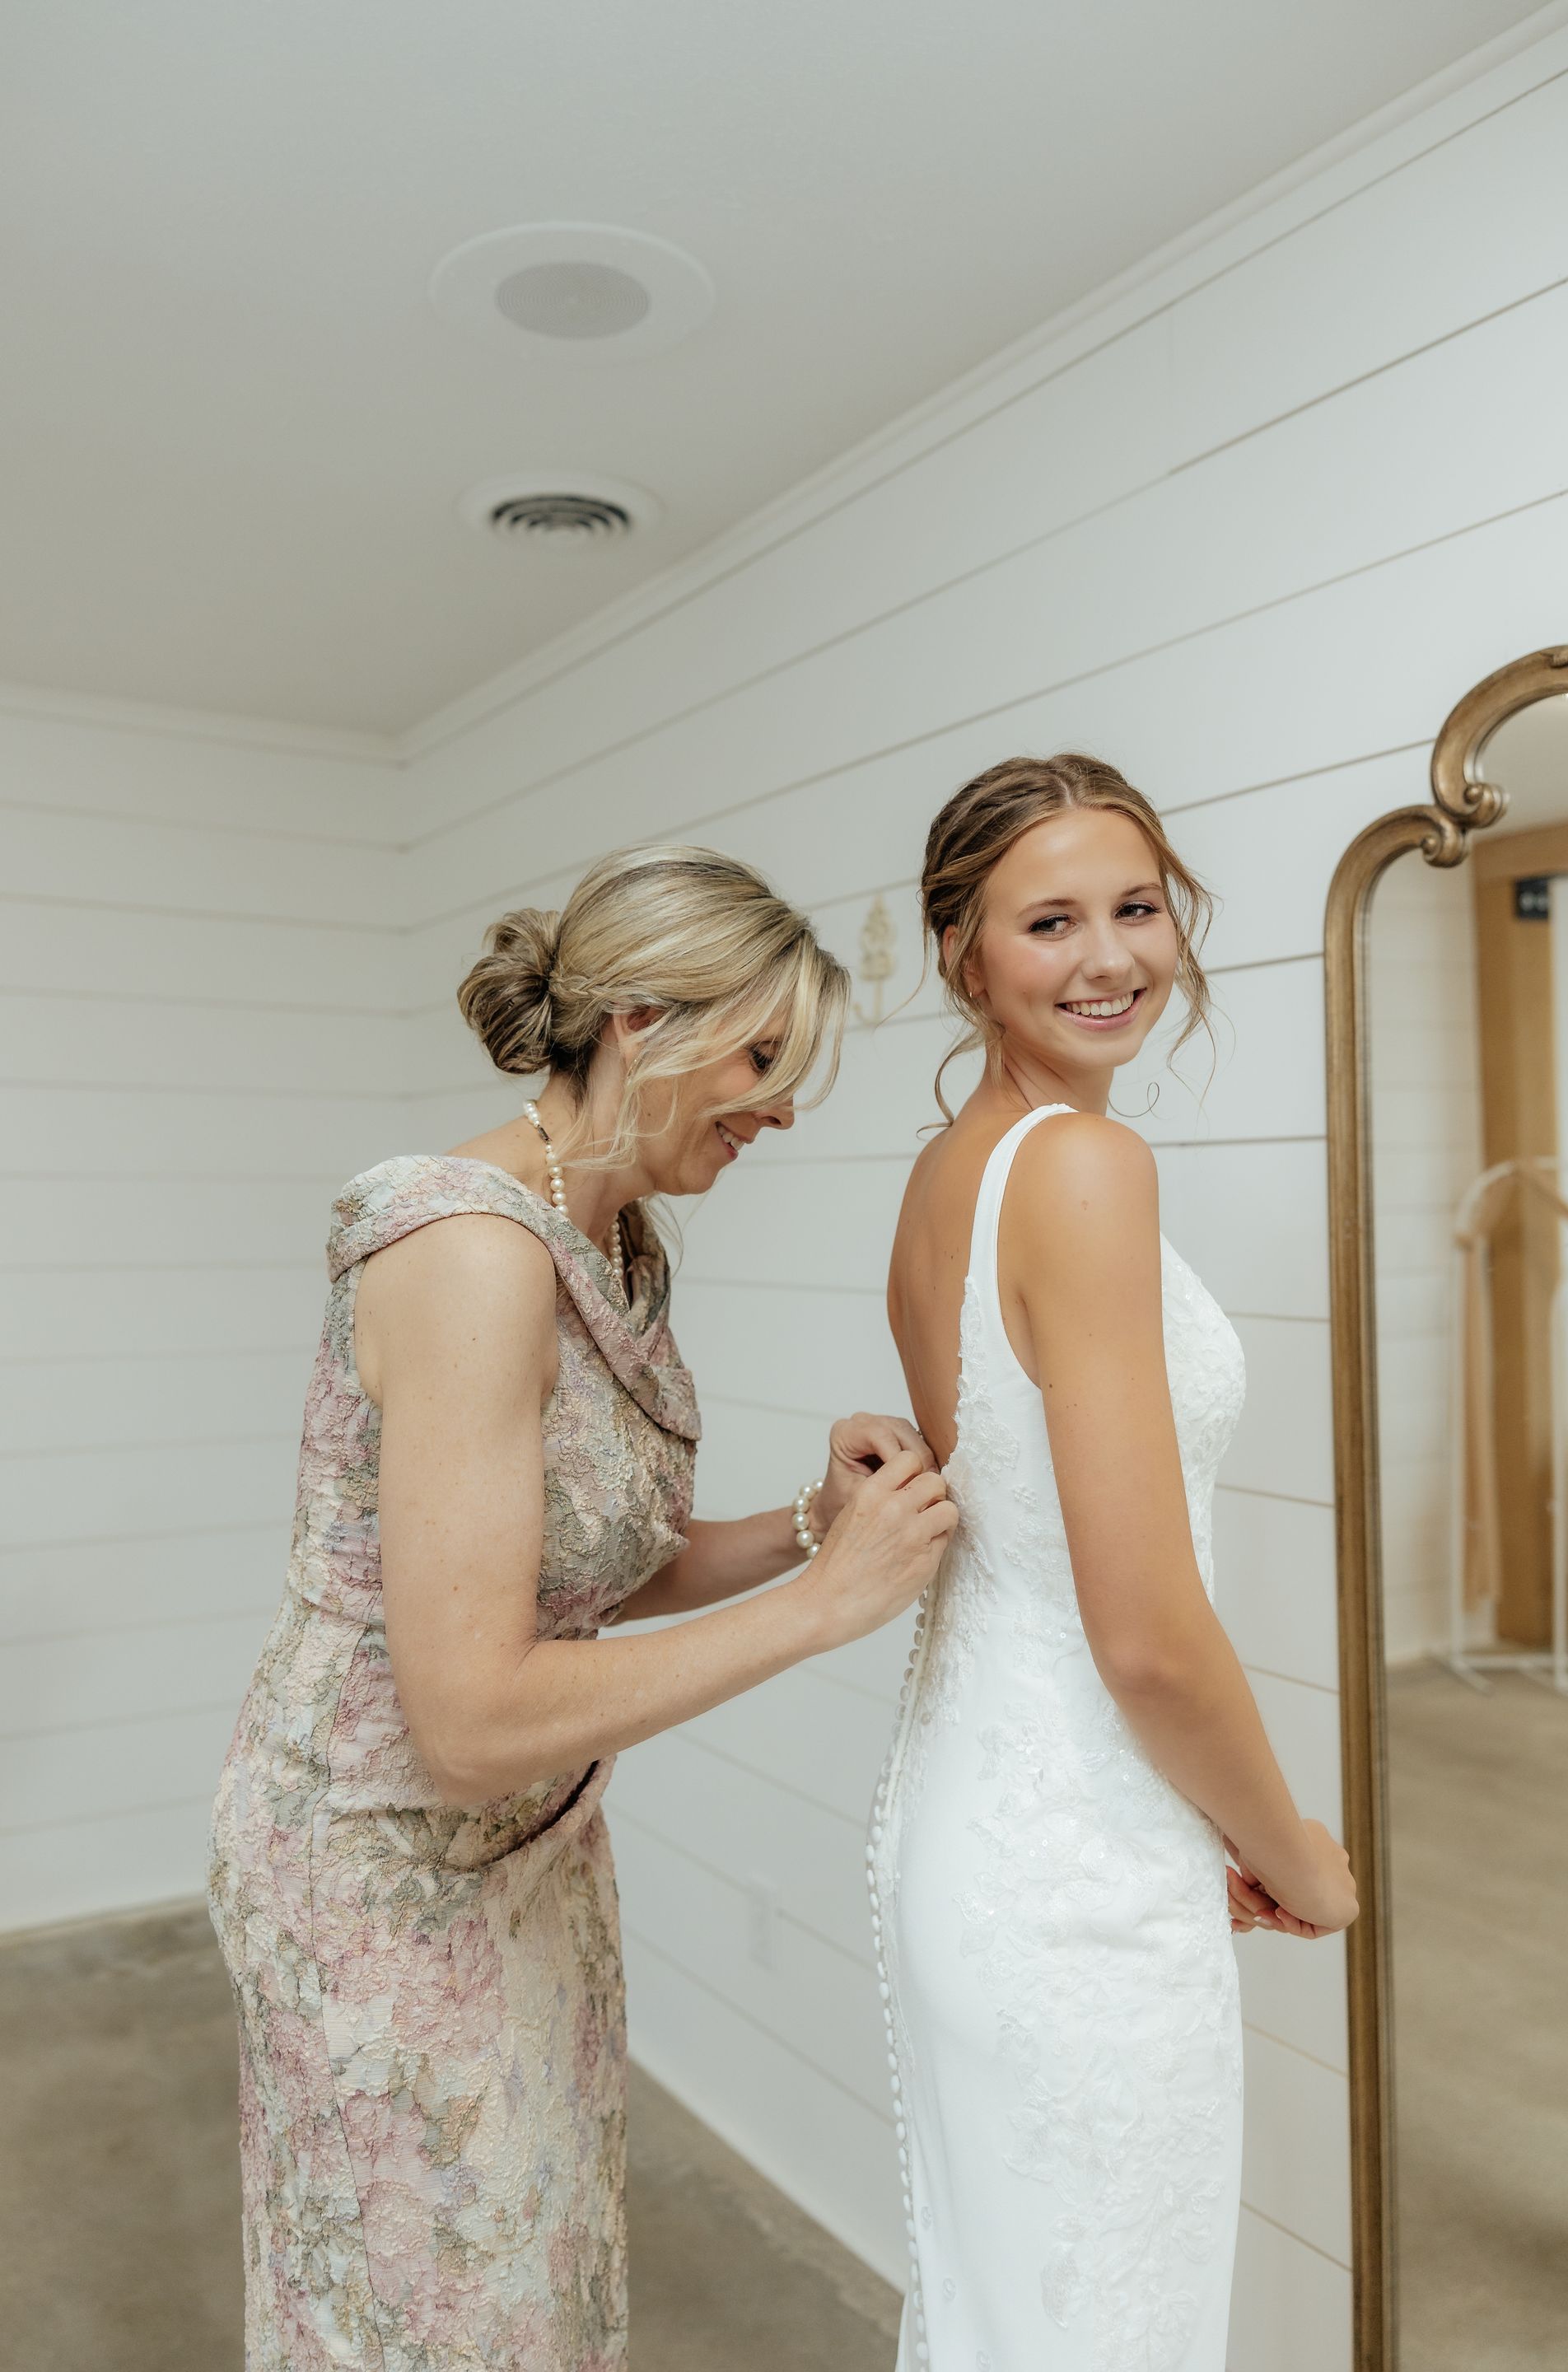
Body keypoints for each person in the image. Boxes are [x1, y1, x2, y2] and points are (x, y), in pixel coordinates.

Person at [208, 843, 956, 2372]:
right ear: (632, 1020)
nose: (784, 1107)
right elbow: (472, 1711)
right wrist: (825, 1607)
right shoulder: (470, 1253)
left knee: (542, 2274)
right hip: (380, 1853)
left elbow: (584, 1561)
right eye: (761, 1058)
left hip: (531, 1838)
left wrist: (813, 1522)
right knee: (434, 2311)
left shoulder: (617, 1240)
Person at [872, 758, 1357, 2372]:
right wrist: (1292, 1851)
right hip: (1079, 1864)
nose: (1108, 959)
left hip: (979, 1824)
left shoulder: (947, 1181)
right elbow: (1143, 1634)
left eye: (1137, 909)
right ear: (964, 954)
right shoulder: (1082, 1171)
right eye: (1049, 921)